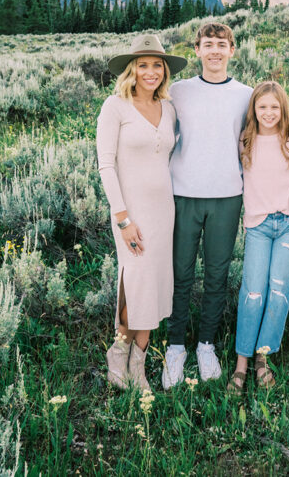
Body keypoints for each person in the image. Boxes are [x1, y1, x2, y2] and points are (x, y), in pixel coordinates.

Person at [163, 22, 252, 388]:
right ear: (196, 50)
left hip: (227, 195)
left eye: (222, 45)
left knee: (217, 274)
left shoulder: (246, 95)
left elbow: (254, 143)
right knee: (180, 273)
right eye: (207, 44)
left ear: (232, 50)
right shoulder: (178, 91)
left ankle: (206, 345)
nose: (215, 51)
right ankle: (175, 347)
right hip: (183, 193)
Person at [97, 34, 187, 393]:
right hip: (129, 214)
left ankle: (139, 366)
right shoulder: (114, 106)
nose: (151, 72)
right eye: (143, 65)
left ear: (164, 70)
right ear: (132, 70)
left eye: (157, 65)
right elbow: (106, 165)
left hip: (164, 212)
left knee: (154, 286)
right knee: (133, 284)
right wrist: (123, 219)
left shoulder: (169, 109)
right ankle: (117, 355)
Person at [227, 81, 289, 393]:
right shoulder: (245, 141)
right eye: (262, 107)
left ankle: (263, 357)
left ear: (283, 110)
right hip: (259, 225)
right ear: (254, 110)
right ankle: (241, 362)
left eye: (275, 107)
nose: (269, 113)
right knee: (253, 290)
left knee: (279, 289)